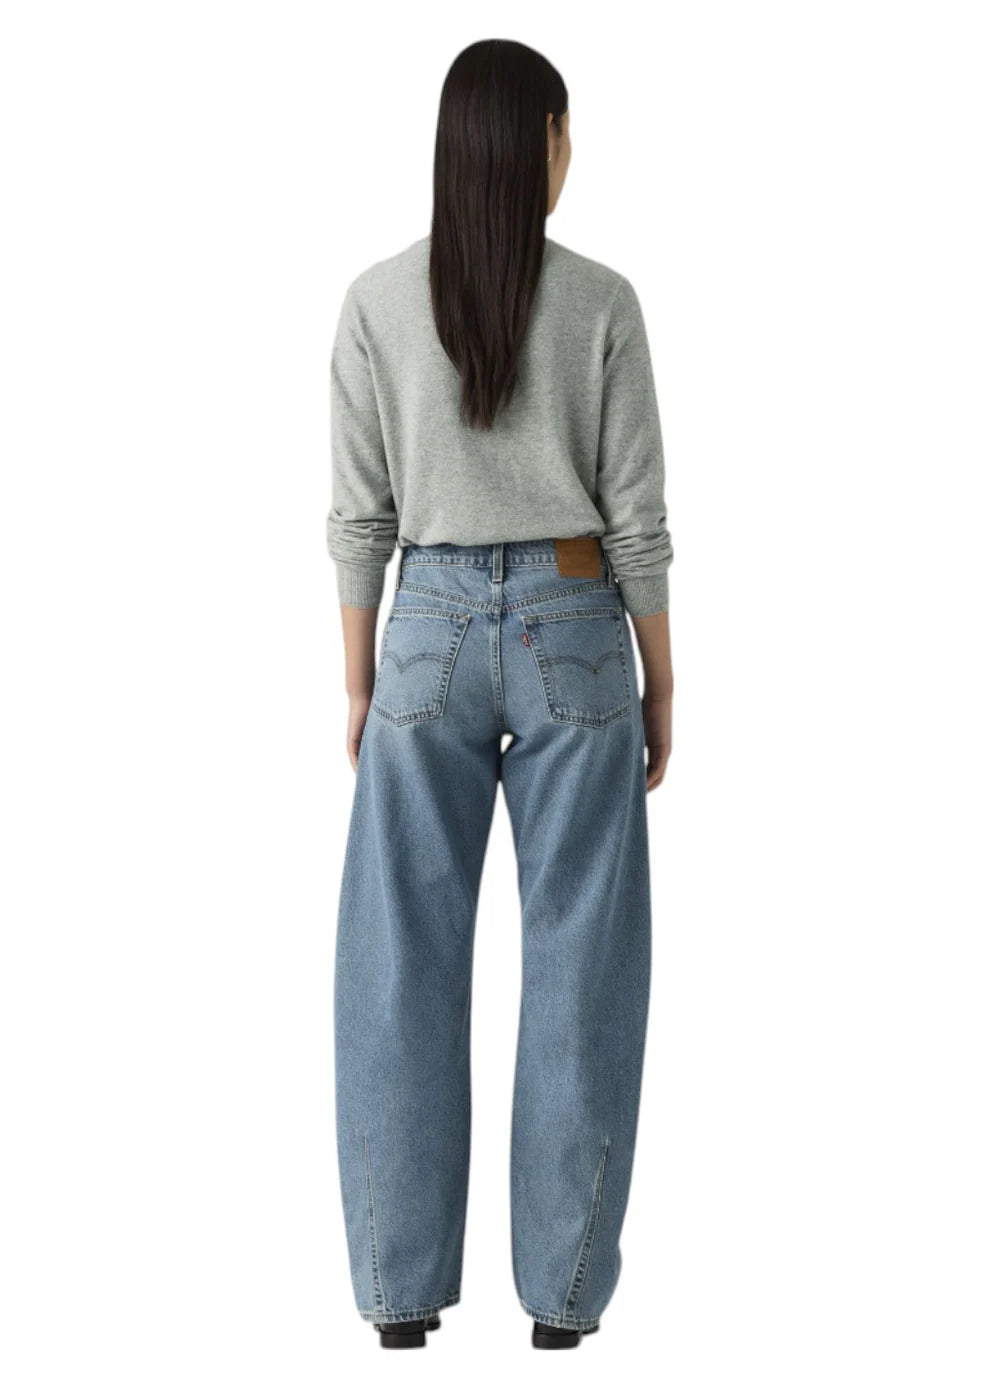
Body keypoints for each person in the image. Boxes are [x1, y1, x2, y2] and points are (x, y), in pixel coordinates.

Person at [326, 38, 674, 1351]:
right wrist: (662, 677)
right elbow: (637, 521)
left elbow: (359, 518)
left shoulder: (375, 301)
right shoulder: (602, 303)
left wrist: (359, 682)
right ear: (543, 144)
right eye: (567, 135)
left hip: (420, 627)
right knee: (583, 962)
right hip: (579, 622)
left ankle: (399, 1297)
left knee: (397, 963)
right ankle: (563, 1304)